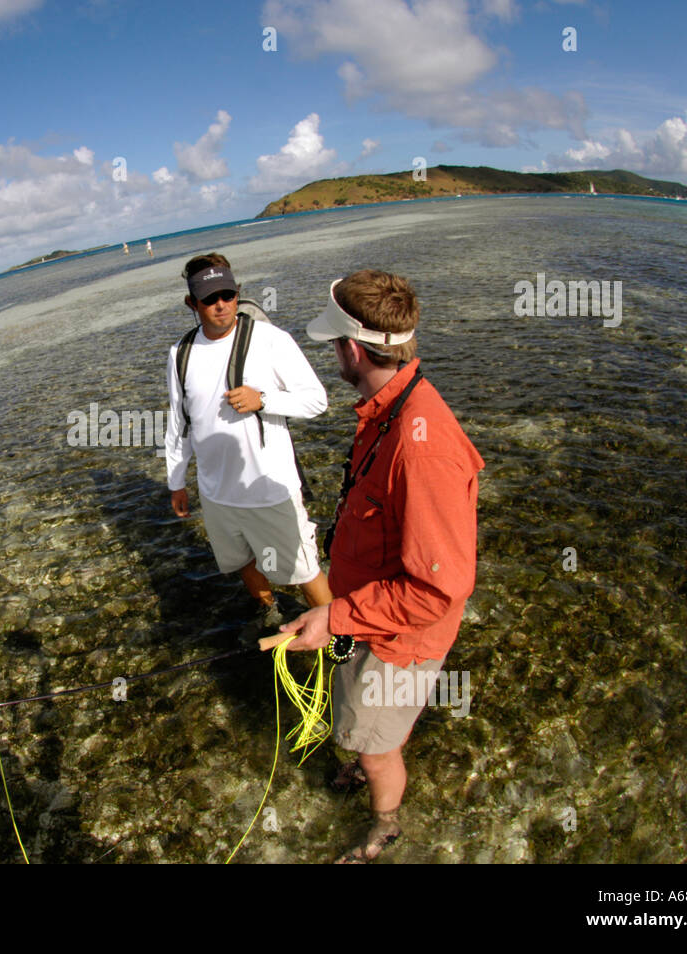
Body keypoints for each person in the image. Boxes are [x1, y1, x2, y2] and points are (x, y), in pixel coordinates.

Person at [261, 269, 484, 863]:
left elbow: (440, 591)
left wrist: (334, 618)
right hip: (369, 615)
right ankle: (368, 764)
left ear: (353, 349)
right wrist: (341, 613)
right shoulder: (390, 405)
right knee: (362, 729)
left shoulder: (420, 445)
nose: (333, 354)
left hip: (398, 640)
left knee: (376, 747)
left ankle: (383, 825)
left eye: (334, 344)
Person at [165, 253, 334, 627]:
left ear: (238, 292)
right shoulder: (180, 353)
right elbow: (180, 422)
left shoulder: (271, 339)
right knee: (242, 560)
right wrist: (177, 482)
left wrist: (264, 399)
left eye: (228, 293)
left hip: (269, 491)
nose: (221, 304)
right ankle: (270, 613)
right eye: (209, 298)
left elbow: (317, 400)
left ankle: (340, 640)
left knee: (304, 569)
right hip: (216, 495)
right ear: (191, 303)